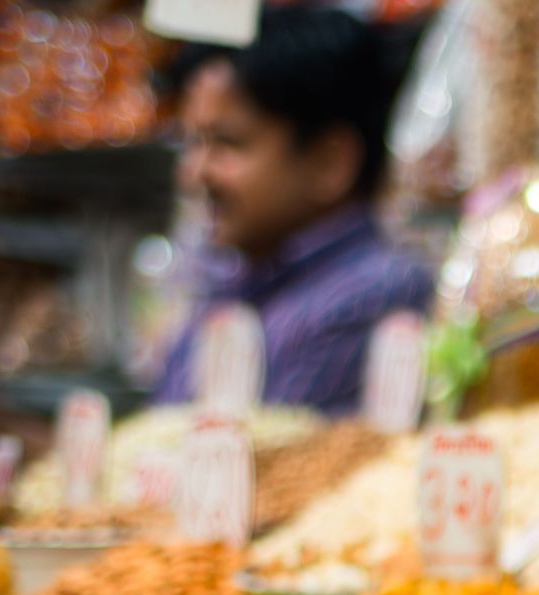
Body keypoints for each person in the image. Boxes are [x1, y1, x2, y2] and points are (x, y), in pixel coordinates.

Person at [153, 8, 431, 418]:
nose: (193, 174)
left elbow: (272, 470)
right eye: (191, 143)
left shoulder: (372, 295)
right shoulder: (239, 282)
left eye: (227, 143)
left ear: (329, 163)